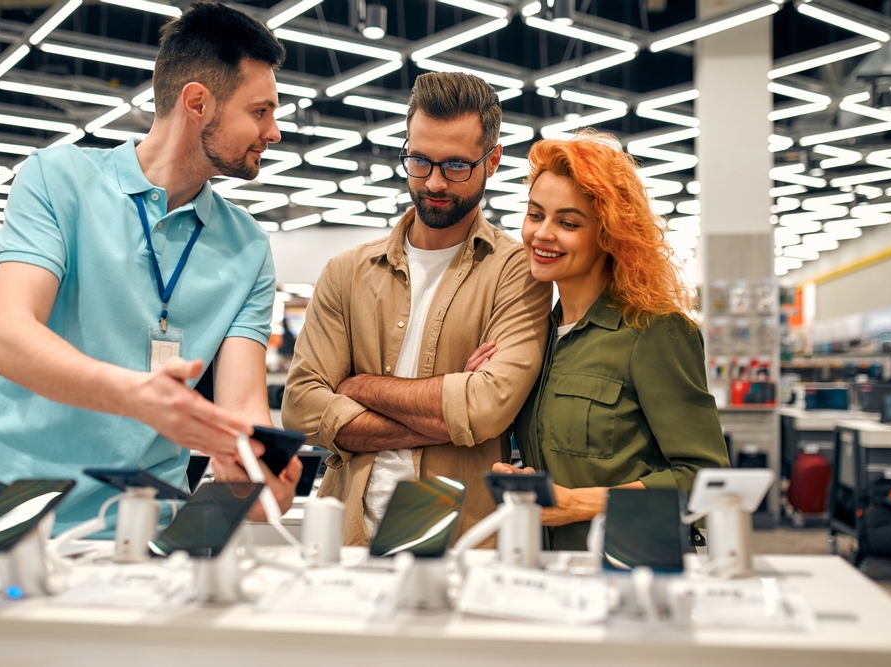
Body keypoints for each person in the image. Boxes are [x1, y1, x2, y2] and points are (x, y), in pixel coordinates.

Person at [0, 2, 301, 534]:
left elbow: (244, 413)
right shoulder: (58, 180)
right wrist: (135, 396)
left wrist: (258, 476)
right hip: (9, 507)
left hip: (141, 526)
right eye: (260, 111)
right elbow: (6, 339)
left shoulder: (247, 246)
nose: (274, 131)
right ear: (197, 103)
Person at [281, 72, 552, 546]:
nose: (433, 182)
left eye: (455, 166)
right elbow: (302, 407)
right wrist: (448, 418)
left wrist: (359, 387)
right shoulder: (346, 272)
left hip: (463, 540)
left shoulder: (517, 271)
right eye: (419, 160)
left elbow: (486, 408)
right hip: (347, 536)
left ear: (493, 160)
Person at [493, 131, 730, 551]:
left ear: (609, 234)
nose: (542, 234)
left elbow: (706, 480)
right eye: (535, 215)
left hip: (633, 570)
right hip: (552, 570)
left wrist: (579, 503)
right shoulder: (537, 338)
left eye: (568, 223)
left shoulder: (654, 331)